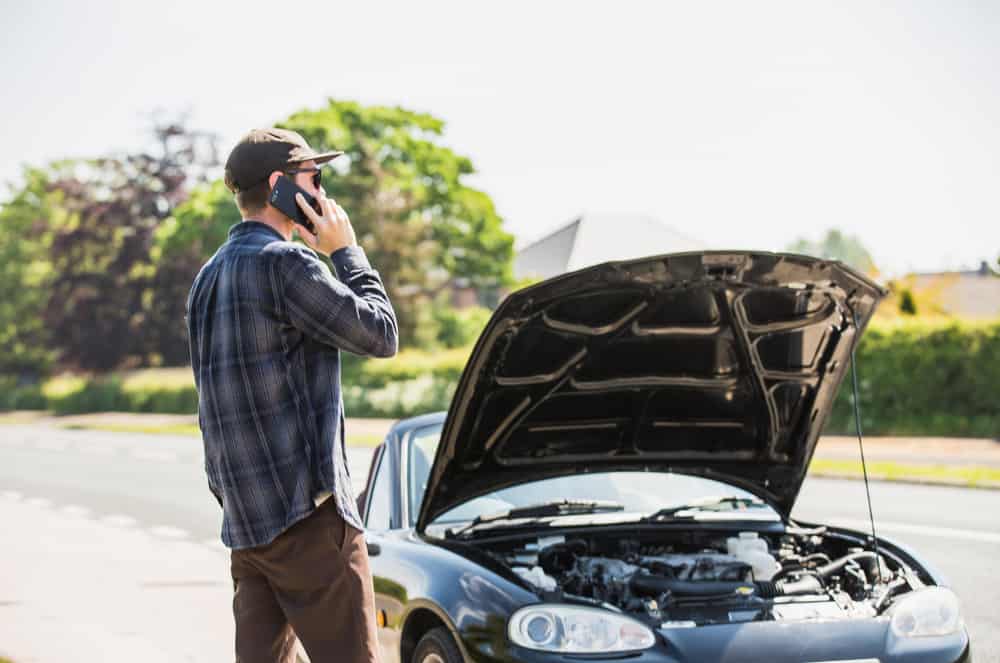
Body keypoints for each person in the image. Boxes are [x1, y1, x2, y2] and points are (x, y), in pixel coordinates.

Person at [186, 128, 398, 663]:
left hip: (247, 528)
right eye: (315, 179)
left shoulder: (206, 280)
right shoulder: (287, 264)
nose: (323, 194)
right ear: (280, 187)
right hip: (310, 523)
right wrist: (346, 252)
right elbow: (381, 334)